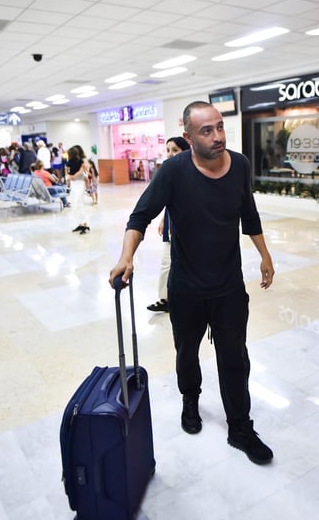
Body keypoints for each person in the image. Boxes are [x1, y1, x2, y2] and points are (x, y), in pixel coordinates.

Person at [109, 101, 275, 465]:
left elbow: (249, 213)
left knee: (235, 359)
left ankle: (240, 428)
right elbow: (139, 217)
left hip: (229, 287)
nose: (217, 136)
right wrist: (126, 257)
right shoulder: (173, 172)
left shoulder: (240, 165)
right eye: (206, 130)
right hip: (186, 289)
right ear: (188, 136)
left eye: (219, 127)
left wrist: (265, 255)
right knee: (187, 353)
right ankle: (190, 401)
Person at [147, 136, 190, 313]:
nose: (170, 154)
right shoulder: (167, 172)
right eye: (168, 150)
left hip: (187, 228)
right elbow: (166, 200)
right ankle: (165, 299)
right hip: (171, 225)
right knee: (166, 262)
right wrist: (164, 219)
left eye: (175, 150)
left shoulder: (191, 172)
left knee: (185, 263)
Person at [66, 145, 90, 234]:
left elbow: (85, 170)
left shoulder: (82, 160)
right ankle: (80, 223)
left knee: (79, 202)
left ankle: (85, 224)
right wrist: (70, 177)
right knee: (75, 204)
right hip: (74, 183)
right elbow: (67, 171)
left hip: (80, 182)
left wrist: (73, 176)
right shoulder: (71, 162)